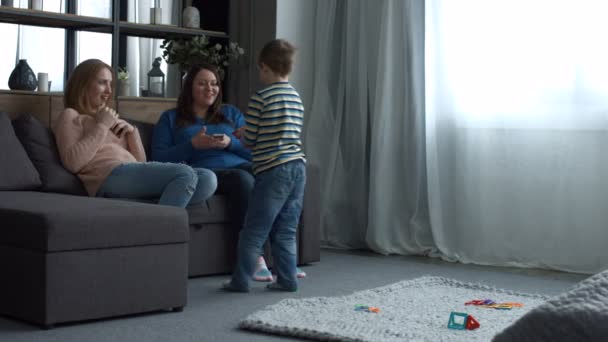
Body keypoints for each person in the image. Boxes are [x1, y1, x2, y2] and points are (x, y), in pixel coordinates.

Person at [151, 63, 305, 281]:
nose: (209, 89)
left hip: (244, 165)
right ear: (189, 88)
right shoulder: (170, 118)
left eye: (214, 84)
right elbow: (158, 158)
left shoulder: (231, 113)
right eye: (202, 83)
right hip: (209, 172)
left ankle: (284, 260)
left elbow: (256, 151)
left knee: (278, 174)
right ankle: (255, 259)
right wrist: (192, 145)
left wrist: (231, 143)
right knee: (243, 179)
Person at [53, 58, 217, 208]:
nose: (109, 90)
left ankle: (152, 209)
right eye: (102, 83)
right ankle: (159, 230)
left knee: (208, 178)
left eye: (110, 84)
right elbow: (73, 162)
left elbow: (141, 164)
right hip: (107, 176)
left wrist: (132, 134)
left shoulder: (108, 118)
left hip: (130, 174)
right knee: (186, 174)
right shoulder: (71, 115)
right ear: (83, 85)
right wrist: (102, 125)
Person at [223, 38, 306, 292]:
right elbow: (286, 130)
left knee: (254, 230)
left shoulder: (260, 98)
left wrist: (242, 135)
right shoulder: (295, 97)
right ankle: (287, 279)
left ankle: (240, 281)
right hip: (298, 167)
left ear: (266, 68)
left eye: (260, 69)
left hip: (273, 170)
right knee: (286, 229)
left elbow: (253, 140)